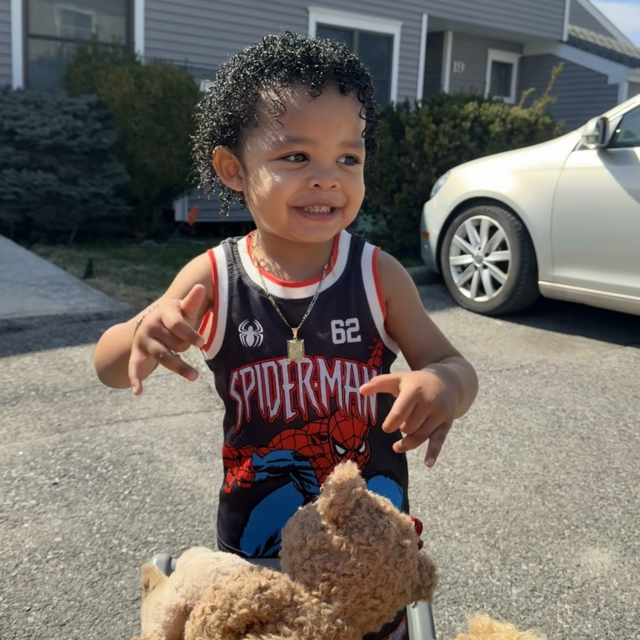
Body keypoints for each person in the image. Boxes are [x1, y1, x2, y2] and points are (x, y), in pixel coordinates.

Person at [94, 31, 478, 640]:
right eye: (296, 157)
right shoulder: (213, 277)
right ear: (233, 169)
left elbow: (452, 363)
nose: (327, 178)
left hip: (365, 551)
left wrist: (443, 386)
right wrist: (143, 331)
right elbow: (108, 367)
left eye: (348, 159)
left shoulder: (377, 275)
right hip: (255, 544)